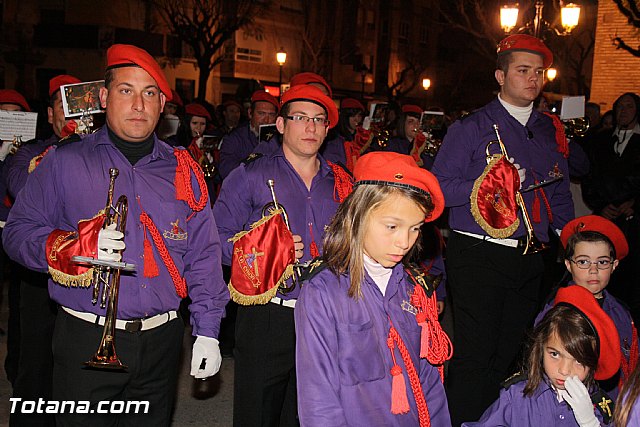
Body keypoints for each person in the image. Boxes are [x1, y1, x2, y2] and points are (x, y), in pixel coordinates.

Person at [2, 44, 229, 425]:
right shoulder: (65, 161)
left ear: (162, 106)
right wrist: (75, 247)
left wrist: (208, 330)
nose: (138, 105)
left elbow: (204, 253)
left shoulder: (183, 169)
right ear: (104, 97)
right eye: (126, 90)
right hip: (85, 337)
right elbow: (18, 233)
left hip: (162, 341)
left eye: (150, 93)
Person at [431, 34, 575, 425]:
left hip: (531, 255)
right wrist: (487, 186)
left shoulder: (549, 129)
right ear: (500, 75)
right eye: (522, 70)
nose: (533, 78)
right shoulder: (472, 128)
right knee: (476, 356)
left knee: (512, 352)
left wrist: (574, 237)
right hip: (479, 253)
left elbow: (559, 191)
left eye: (539, 72)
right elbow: (439, 187)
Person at [213, 84, 346, 426]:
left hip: (324, 317)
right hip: (267, 314)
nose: (311, 127)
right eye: (300, 118)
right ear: (282, 125)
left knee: (306, 416)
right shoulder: (250, 175)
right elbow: (214, 242)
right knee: (255, 413)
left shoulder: (342, 182)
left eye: (319, 119)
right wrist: (264, 251)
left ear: (328, 129)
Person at [295, 152, 452, 426]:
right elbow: (317, 396)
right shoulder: (322, 293)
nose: (404, 242)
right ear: (358, 217)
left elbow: (430, 382)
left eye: (415, 229)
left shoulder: (415, 289)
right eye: (392, 226)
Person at [5, 74, 80, 427]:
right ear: (49, 115)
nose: (69, 115)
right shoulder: (31, 152)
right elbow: (20, 185)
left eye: (76, 107)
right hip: (40, 271)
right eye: (61, 108)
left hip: (85, 271)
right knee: (34, 362)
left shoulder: (97, 152)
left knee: (78, 365)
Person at [465, 284, 621, 426]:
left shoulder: (598, 409)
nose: (564, 370)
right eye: (555, 354)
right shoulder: (516, 396)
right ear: (541, 348)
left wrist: (590, 423)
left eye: (579, 361)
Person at [534, 215, 638, 401]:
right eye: (583, 261)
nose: (593, 270)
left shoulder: (622, 313)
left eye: (602, 262)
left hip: (611, 404)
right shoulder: (555, 311)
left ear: (614, 265)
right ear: (568, 265)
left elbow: (631, 366)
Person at [582, 92, 640, 326]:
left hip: (634, 224)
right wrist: (601, 205)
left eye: (629, 106)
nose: (623, 111)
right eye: (620, 106)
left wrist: (635, 203)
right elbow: (590, 177)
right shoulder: (601, 141)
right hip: (605, 219)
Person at [0, 88, 31, 387]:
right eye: (4, 114)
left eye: (15, 114)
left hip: (14, 228)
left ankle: (16, 365)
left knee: (18, 299)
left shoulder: (31, 149)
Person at [218, 90, 279, 179]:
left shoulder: (280, 139)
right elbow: (225, 170)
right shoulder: (234, 138)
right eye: (261, 113)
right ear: (250, 113)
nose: (266, 120)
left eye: (271, 115)